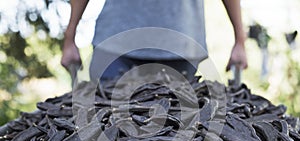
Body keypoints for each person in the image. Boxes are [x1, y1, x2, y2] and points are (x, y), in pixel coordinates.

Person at [61, 0, 247, 82]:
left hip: (181, 49)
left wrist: (240, 40)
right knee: (105, 131)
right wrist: (69, 39)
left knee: (178, 138)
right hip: (115, 47)